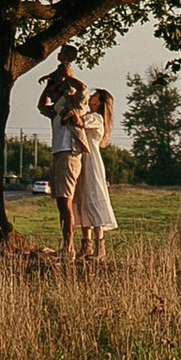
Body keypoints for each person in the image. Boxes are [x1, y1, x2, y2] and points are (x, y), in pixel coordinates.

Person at [36, 60, 85, 252]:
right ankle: (67, 246)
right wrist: (48, 85)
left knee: (66, 204)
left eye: (55, 90)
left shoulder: (75, 105)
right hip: (58, 155)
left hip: (68, 154)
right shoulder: (56, 111)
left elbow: (82, 88)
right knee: (61, 204)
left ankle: (69, 248)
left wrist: (67, 76)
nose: (51, 94)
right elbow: (41, 106)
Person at [70, 84, 118, 257]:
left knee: (93, 196)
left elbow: (80, 122)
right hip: (82, 159)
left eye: (95, 96)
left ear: (100, 101)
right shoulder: (90, 115)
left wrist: (70, 107)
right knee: (82, 198)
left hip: (91, 161)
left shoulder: (96, 118)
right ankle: (86, 245)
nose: (91, 97)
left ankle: (100, 247)